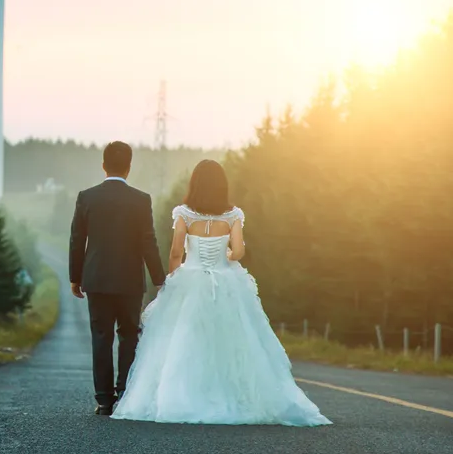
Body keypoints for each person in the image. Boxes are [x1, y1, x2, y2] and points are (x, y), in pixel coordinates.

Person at [111, 159, 331, 426]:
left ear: (195, 184)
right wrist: (225, 254)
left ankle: (181, 396)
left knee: (185, 340)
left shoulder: (183, 213)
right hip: (226, 282)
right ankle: (230, 395)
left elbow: (176, 251)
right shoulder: (233, 215)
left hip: (189, 281)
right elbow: (238, 251)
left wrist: (172, 277)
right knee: (232, 342)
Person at [69, 141, 166, 416]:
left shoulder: (86, 197)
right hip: (129, 281)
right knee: (129, 336)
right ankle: (125, 392)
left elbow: (77, 240)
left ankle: (103, 399)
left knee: (101, 337)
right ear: (129, 167)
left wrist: (75, 277)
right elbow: (149, 242)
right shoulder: (141, 199)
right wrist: (159, 279)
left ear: (103, 166)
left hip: (96, 280)